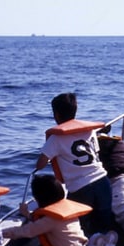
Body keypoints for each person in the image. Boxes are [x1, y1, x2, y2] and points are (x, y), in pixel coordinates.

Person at [35, 92, 113, 236]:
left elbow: (40, 164)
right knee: (104, 224)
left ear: (56, 115)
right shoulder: (89, 131)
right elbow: (96, 151)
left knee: (80, 228)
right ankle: (106, 244)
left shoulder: (56, 138)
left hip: (80, 189)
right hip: (102, 181)